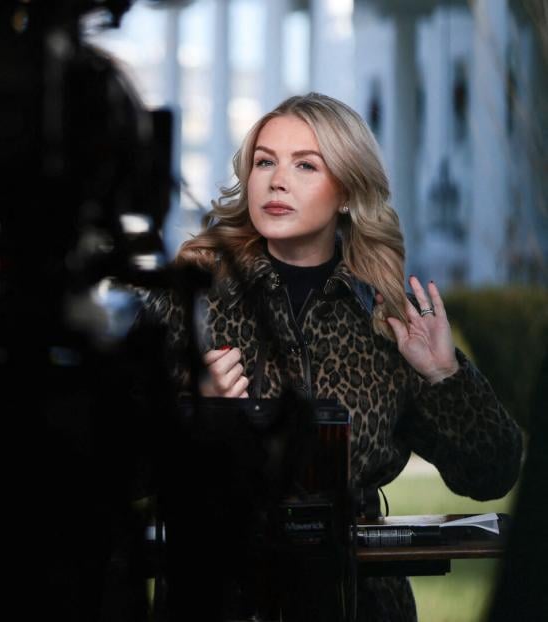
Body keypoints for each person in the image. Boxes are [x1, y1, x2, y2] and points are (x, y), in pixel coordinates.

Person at [139, 92, 523, 621]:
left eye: (305, 165)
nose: (277, 180)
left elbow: (493, 473)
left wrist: (445, 374)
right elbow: (115, 468)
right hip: (218, 597)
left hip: (359, 601)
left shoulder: (388, 319)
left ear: (346, 191)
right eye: (265, 161)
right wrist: (192, 410)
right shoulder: (189, 302)